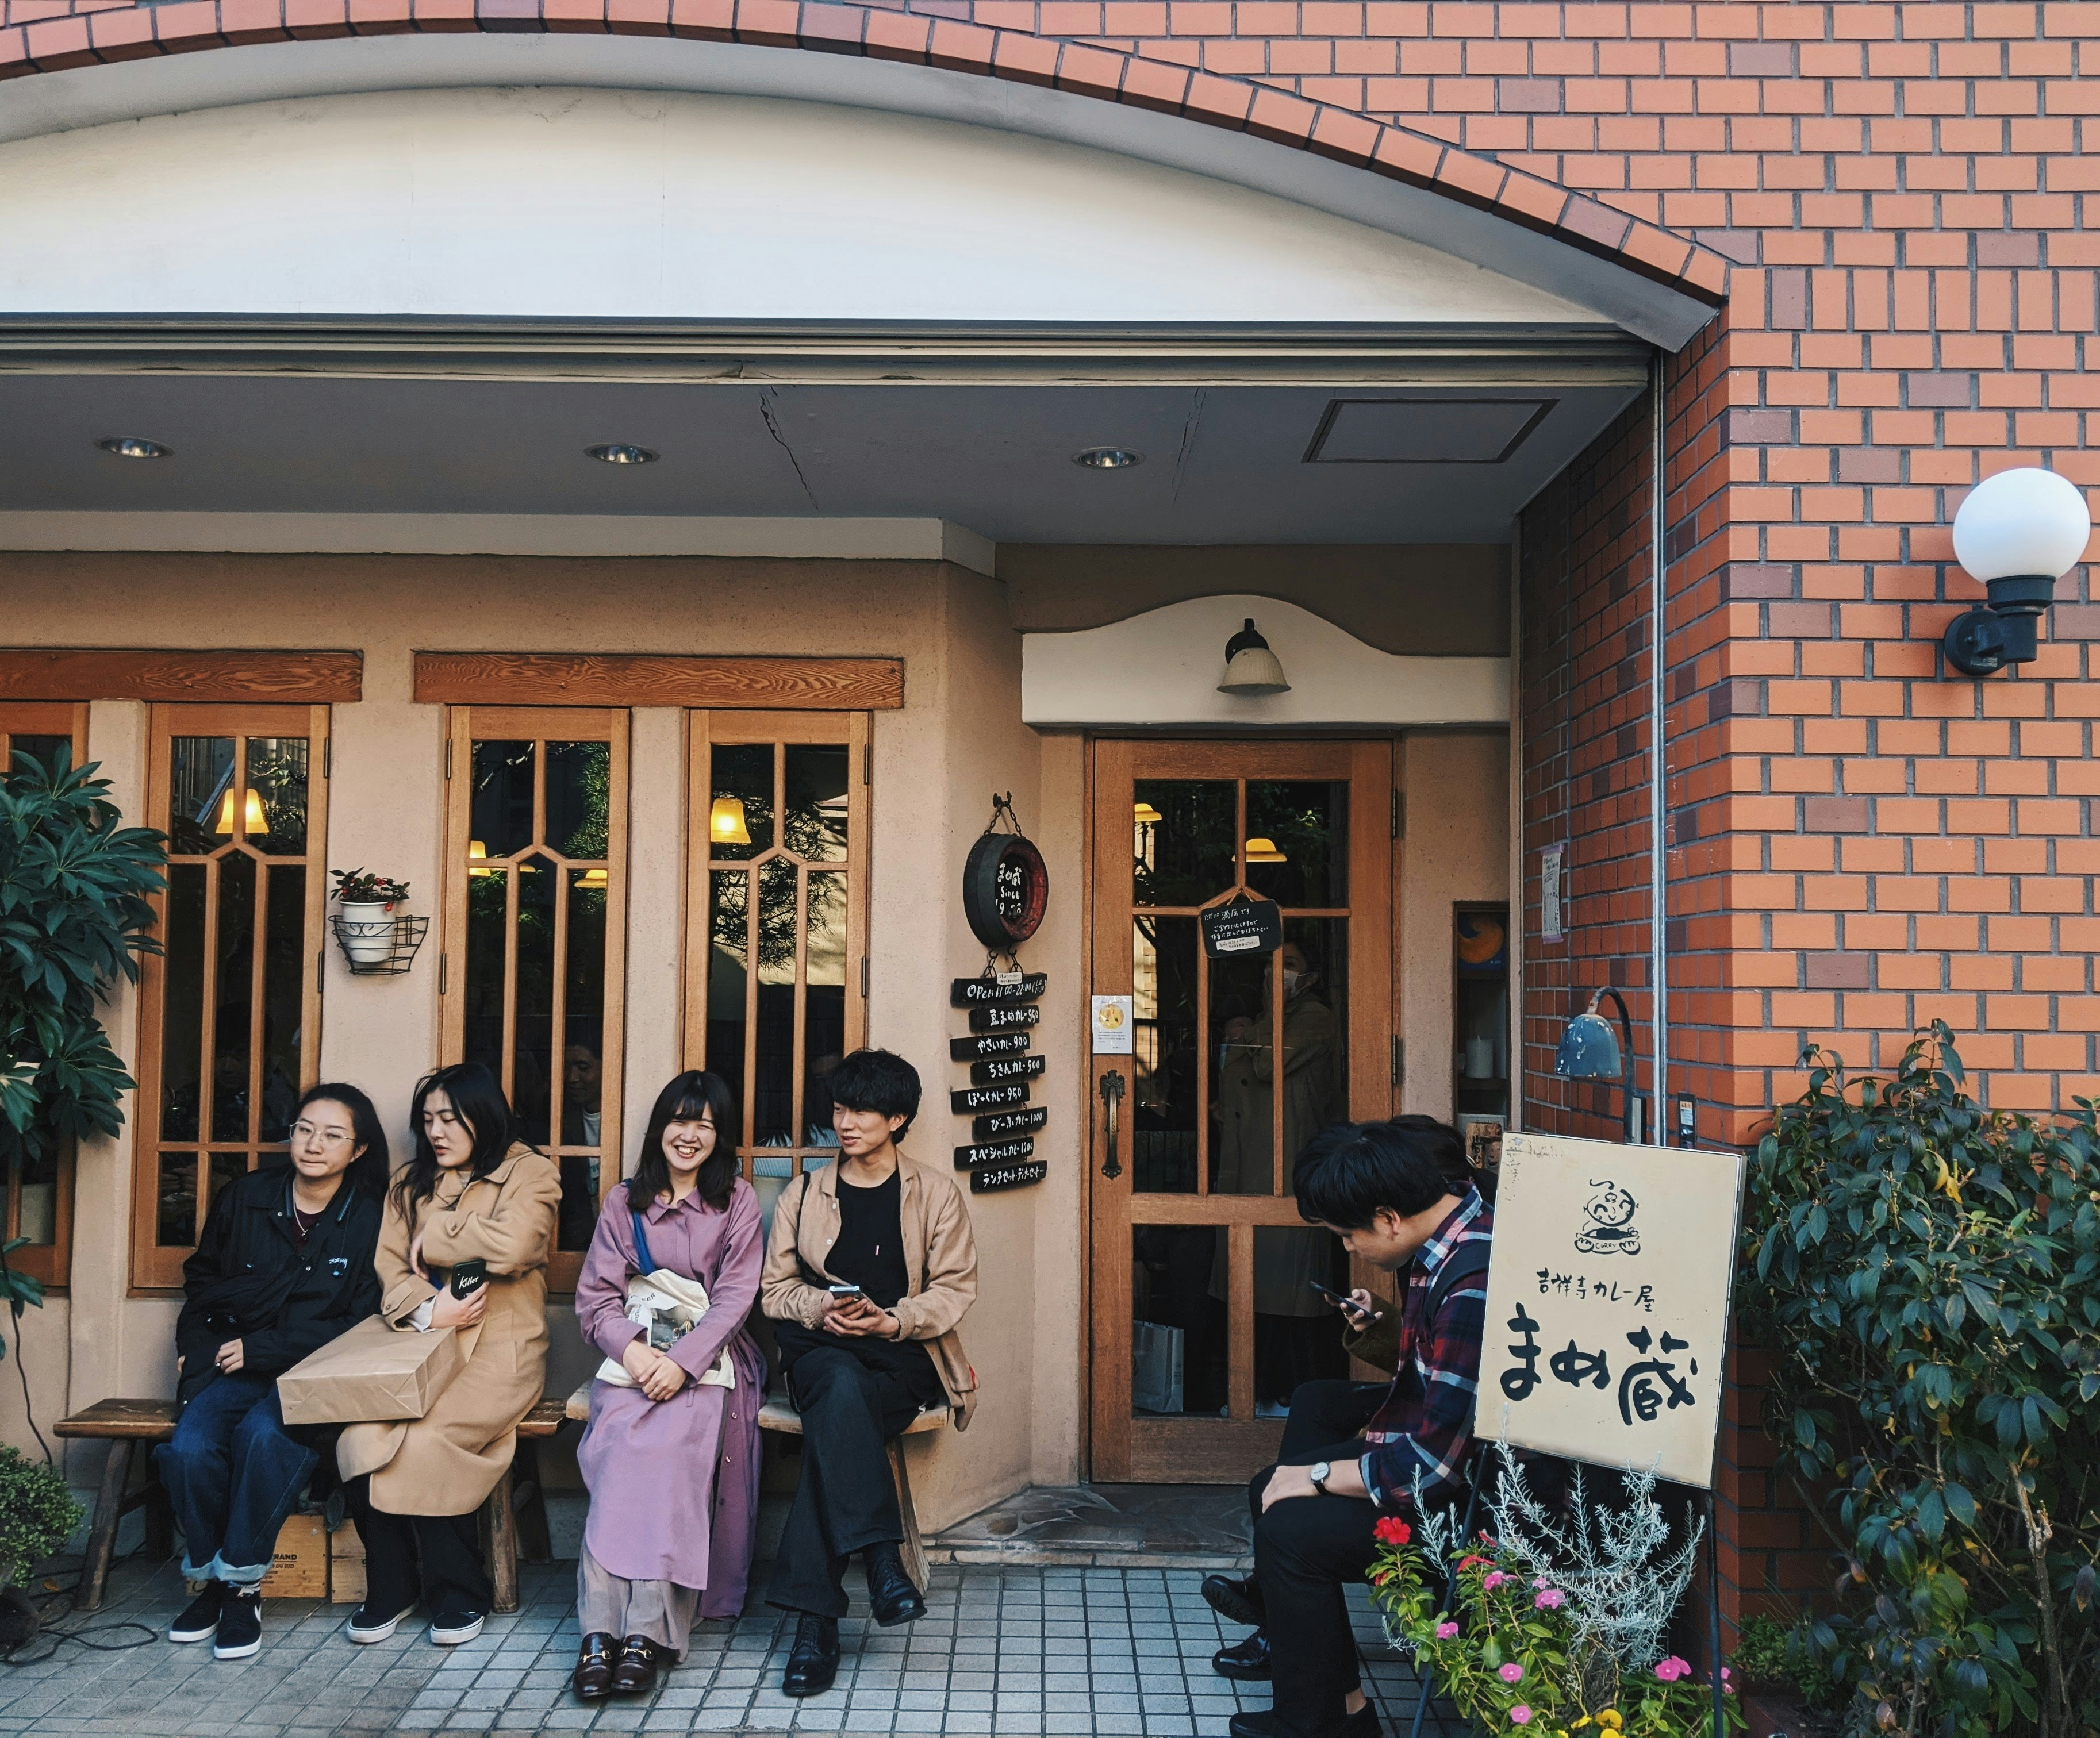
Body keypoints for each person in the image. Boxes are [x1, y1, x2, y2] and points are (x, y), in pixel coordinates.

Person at [1203, 1117, 1493, 1738]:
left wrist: (1318, 1474)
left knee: (1288, 1526)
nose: (1348, 1249)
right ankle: (1340, 1710)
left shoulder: (1472, 1277)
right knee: (1273, 1490)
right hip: (1451, 1477)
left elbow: (1436, 1468)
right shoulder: (1448, 1242)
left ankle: (1320, 1721)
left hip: (1478, 1506)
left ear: (1388, 1217)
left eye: (1347, 1234)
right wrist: (1312, 1476)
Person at [759, 1049, 978, 1698]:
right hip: (821, 1351)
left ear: (897, 1118)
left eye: (860, 1110)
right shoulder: (806, 1193)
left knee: (838, 1420)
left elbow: (954, 1290)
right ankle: (883, 1562)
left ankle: (815, 1626)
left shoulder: (933, 1194)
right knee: (838, 1384)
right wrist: (821, 1306)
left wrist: (892, 1322)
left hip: (900, 1358)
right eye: (838, 1108)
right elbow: (774, 1291)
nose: (844, 1123)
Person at [336, 1062, 562, 1648]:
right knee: (361, 1436)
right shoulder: (409, 1182)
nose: (436, 1131)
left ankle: (458, 1591)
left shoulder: (528, 1171)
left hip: (500, 1350)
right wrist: (427, 1310)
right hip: (420, 1344)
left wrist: (432, 1238)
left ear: (481, 1116)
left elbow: (515, 1246)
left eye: (449, 1117)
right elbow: (388, 1268)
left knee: (427, 1440)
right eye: (428, 1120)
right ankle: (391, 1586)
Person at [160, 1084, 388, 1660]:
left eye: (333, 1135)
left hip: (315, 1376)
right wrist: (195, 1346)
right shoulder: (247, 1197)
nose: (314, 1144)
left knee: (264, 1437)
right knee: (190, 1446)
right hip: (233, 1366)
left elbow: (365, 1316)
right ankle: (210, 1579)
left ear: (358, 1151)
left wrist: (265, 1348)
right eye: (305, 1129)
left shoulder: (369, 1215)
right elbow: (203, 1283)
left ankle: (242, 1585)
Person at [569, 1071, 766, 1699]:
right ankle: (599, 1632)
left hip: (707, 1361)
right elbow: (594, 1300)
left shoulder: (736, 1201)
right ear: (660, 1127)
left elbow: (736, 1298)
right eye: (680, 1121)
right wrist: (634, 1355)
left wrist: (678, 1362)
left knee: (671, 1456)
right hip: (629, 1361)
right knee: (619, 1448)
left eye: (704, 1124)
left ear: (720, 1136)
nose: (690, 1135)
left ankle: (646, 1634)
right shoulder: (624, 1202)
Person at [1212, 939, 1343, 1412]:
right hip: (1248, 1166)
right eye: (1271, 967)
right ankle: (1256, 1393)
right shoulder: (1271, 1019)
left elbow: (1267, 1062)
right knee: (1252, 1289)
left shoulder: (1312, 1017)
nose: (1279, 973)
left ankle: (1283, 1394)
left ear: (1307, 976)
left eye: (1289, 965)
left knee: (1287, 1292)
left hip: (1286, 1169)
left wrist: (1266, 1015)